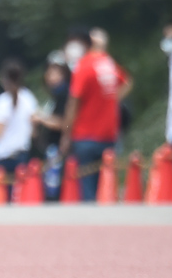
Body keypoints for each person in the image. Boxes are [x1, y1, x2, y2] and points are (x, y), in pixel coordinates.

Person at [60, 28, 132, 201]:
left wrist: (66, 133)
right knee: (106, 188)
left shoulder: (83, 66)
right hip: (109, 134)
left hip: (86, 135)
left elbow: (73, 105)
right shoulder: (107, 63)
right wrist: (111, 100)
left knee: (88, 190)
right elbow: (127, 82)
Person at [0, 59, 38, 192]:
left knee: (1, 196)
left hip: (3, 155)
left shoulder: (2, 101)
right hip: (21, 154)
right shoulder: (29, 98)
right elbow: (34, 130)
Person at [31, 51, 71, 199]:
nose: (51, 76)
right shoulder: (53, 95)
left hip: (60, 148)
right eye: (49, 72)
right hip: (50, 148)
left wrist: (42, 118)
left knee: (55, 191)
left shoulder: (65, 94)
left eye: (56, 72)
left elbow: (65, 124)